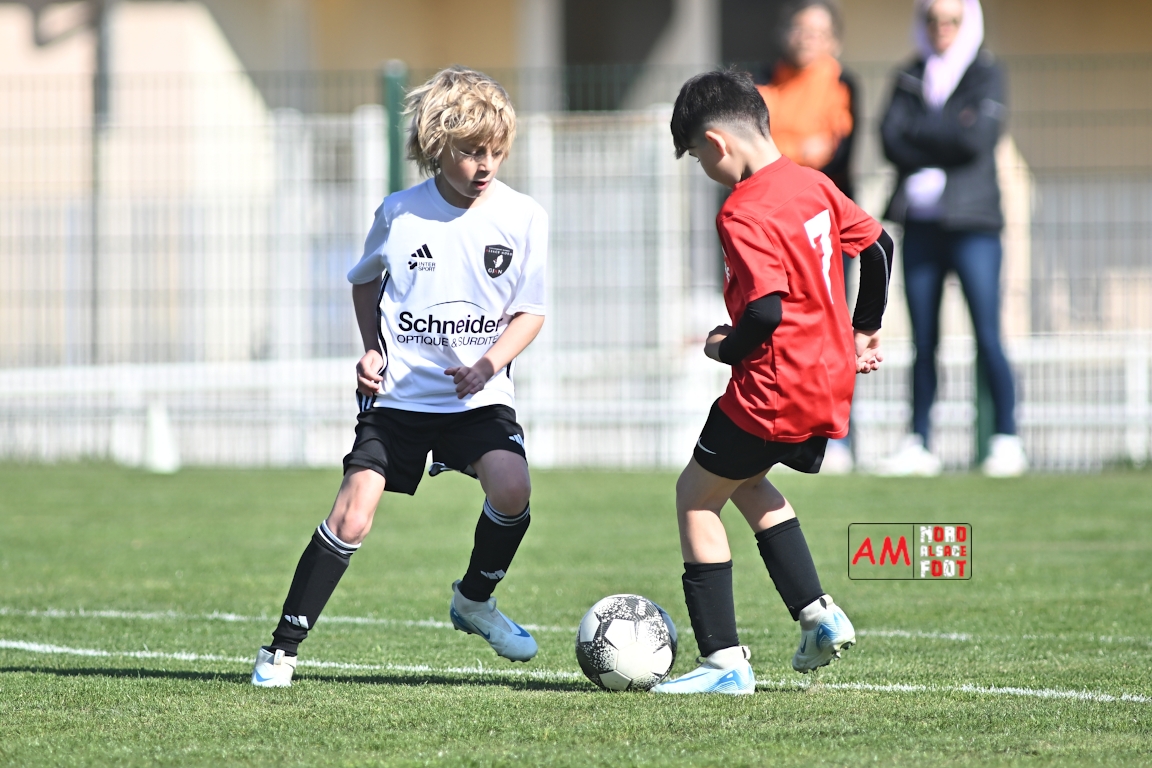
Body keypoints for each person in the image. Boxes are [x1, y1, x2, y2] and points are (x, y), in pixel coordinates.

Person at [251, 67, 548, 687]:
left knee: (513, 487)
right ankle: (280, 651)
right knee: (353, 514)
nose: (486, 165)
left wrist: (488, 363)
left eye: (495, 151)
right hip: (399, 399)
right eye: (471, 151)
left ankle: (474, 601)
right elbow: (364, 282)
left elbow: (531, 311)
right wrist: (370, 351)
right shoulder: (400, 213)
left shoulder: (523, 216)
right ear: (437, 145)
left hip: (476, 397)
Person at [652, 70, 894, 695]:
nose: (704, 169)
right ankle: (819, 615)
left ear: (717, 142)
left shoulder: (742, 209)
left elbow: (764, 311)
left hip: (772, 387)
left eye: (698, 157)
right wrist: (863, 329)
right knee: (747, 482)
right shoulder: (814, 184)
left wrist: (723, 348)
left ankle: (723, 663)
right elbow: (878, 247)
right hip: (826, 382)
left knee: (695, 497)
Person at [876, 0, 1026, 477]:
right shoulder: (908, 75)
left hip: (974, 225)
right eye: (933, 20)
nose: (942, 28)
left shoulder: (986, 72)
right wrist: (949, 127)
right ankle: (919, 441)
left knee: (988, 334)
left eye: (952, 20)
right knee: (923, 341)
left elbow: (976, 139)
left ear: (968, 23)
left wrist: (922, 134)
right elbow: (889, 138)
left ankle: (1006, 438)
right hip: (920, 225)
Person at [758, 0, 860, 473]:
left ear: (833, 40)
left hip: (825, 232)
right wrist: (802, 150)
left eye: (818, 32)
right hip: (772, 228)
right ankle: (777, 431)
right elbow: (755, 151)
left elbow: (833, 156)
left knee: (833, 333)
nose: (807, 39)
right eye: (801, 29)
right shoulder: (763, 80)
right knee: (775, 332)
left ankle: (837, 436)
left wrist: (784, 152)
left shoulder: (843, 84)